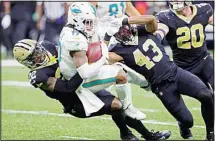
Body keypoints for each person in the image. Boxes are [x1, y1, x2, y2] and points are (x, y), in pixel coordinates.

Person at [13, 39, 171, 140]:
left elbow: (70, 55)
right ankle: (129, 134)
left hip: (87, 85)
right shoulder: (38, 76)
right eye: (33, 58)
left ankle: (142, 134)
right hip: (76, 102)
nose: (39, 57)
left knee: (120, 81)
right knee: (117, 105)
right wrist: (86, 68)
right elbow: (68, 88)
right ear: (27, 63)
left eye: (38, 52)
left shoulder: (48, 46)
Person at [104, 15, 214, 141]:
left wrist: (124, 20)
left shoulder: (143, 30)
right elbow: (102, 57)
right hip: (161, 86)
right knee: (188, 121)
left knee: (206, 95)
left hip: (176, 73)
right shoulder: (116, 51)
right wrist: (107, 35)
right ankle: (183, 124)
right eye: (119, 31)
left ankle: (210, 133)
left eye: (124, 27)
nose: (123, 32)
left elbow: (151, 19)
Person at [59, 2, 147, 120]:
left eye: (91, 21)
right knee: (120, 74)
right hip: (78, 81)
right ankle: (128, 106)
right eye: (86, 21)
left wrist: (108, 35)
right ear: (75, 20)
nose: (90, 24)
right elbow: (85, 72)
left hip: (82, 71)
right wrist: (103, 58)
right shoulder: (74, 38)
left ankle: (146, 84)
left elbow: (99, 49)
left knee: (119, 65)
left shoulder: (77, 28)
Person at [155, 1, 214, 92]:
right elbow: (160, 31)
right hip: (184, 66)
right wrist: (156, 37)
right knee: (206, 95)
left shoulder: (202, 10)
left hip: (204, 59)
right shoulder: (166, 17)